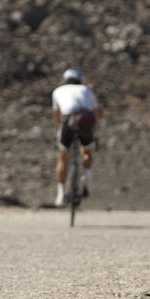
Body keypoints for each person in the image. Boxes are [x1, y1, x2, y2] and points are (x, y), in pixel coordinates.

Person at [52, 67, 103, 205]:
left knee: (63, 157)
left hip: (67, 122)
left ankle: (60, 194)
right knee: (87, 152)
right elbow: (98, 113)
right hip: (84, 122)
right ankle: (85, 180)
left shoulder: (57, 91)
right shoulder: (86, 90)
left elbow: (57, 116)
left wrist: (60, 128)